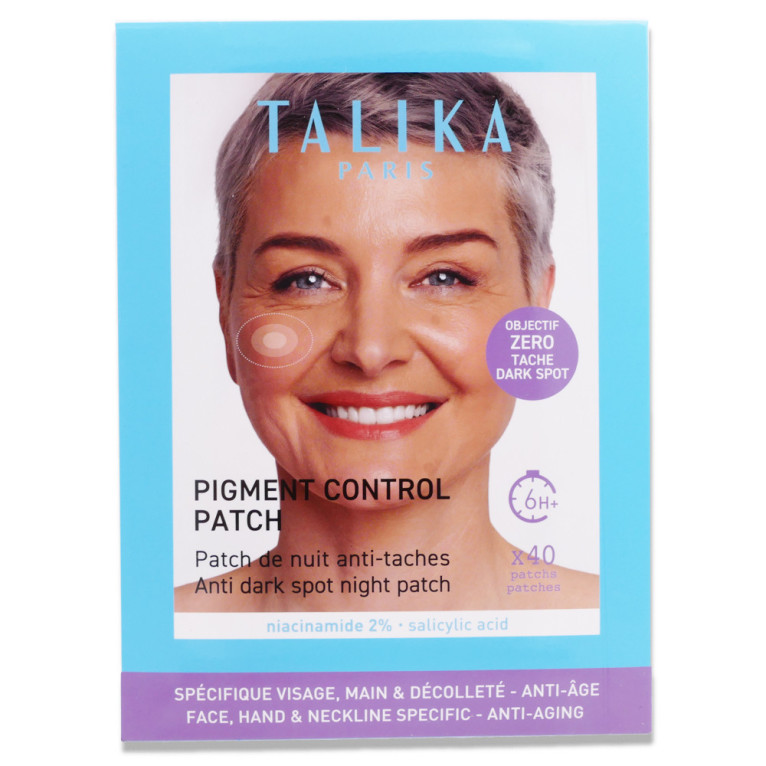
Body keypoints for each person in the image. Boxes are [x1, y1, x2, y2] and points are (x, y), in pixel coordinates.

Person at [175, 73, 598, 612]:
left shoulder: (622, 640)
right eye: (306, 280)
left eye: (444, 277)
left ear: (535, 309)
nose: (370, 351)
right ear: (225, 309)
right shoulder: (144, 648)